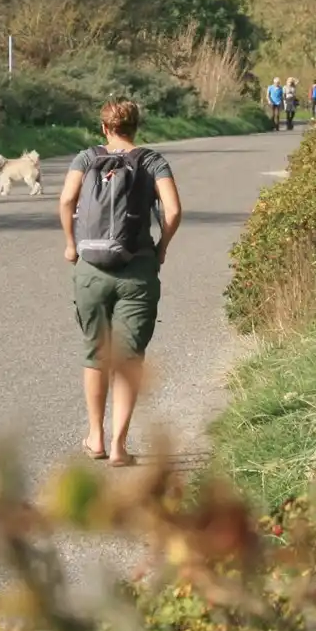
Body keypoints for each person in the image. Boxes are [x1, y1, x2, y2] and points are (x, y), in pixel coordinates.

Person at [58, 100, 181, 467]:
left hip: (91, 268)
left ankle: (95, 437)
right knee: (128, 359)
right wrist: (160, 248)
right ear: (136, 127)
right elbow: (173, 211)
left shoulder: (86, 158)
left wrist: (70, 245)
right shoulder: (152, 161)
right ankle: (119, 446)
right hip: (137, 269)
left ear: (104, 128)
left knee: (95, 354)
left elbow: (66, 200)